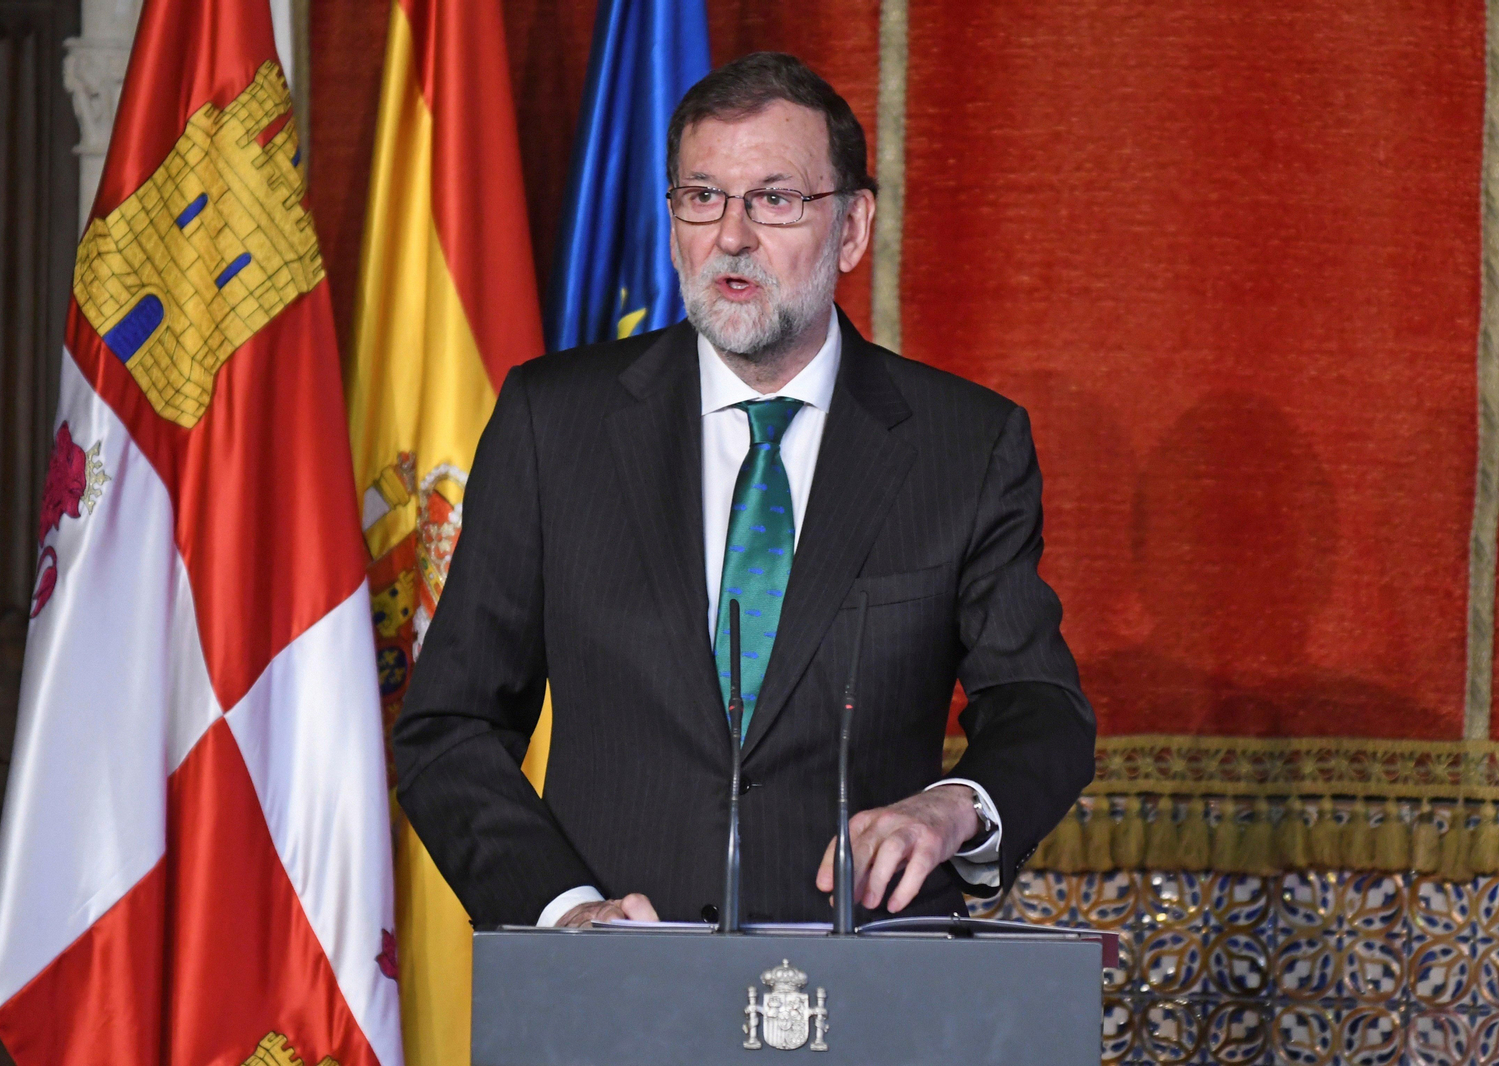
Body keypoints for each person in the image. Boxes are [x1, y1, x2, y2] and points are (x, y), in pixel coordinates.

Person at [393, 52, 1094, 929]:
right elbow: (449, 726)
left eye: (775, 199)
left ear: (851, 228)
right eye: (702, 197)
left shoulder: (964, 444)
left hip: (859, 983)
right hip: (616, 993)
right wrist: (562, 910)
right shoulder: (554, 423)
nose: (731, 234)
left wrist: (952, 805)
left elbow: (1041, 707)